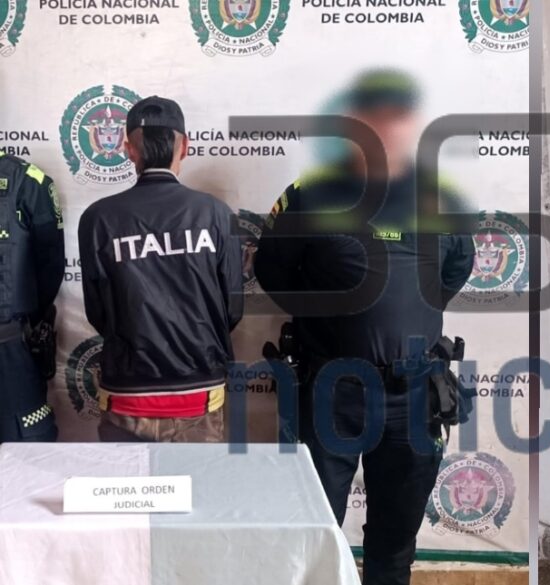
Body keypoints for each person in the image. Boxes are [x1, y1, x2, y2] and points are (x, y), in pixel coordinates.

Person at [254, 69, 475, 585]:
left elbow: (452, 273)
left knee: (394, 546)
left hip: (414, 396)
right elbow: (274, 273)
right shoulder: (309, 196)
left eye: (396, 118)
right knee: (314, 534)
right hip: (332, 391)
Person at [78, 96, 243, 443]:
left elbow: (98, 312)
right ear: (185, 146)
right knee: (194, 481)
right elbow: (232, 308)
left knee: (126, 482)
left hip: (127, 388)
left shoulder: (98, 218)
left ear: (128, 149)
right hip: (198, 388)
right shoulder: (216, 214)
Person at [0, 152, 64, 443]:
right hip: (11, 343)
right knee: (26, 447)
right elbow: (50, 268)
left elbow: (50, 266)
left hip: (11, 345)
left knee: (27, 450)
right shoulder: (27, 180)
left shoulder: (28, 181)